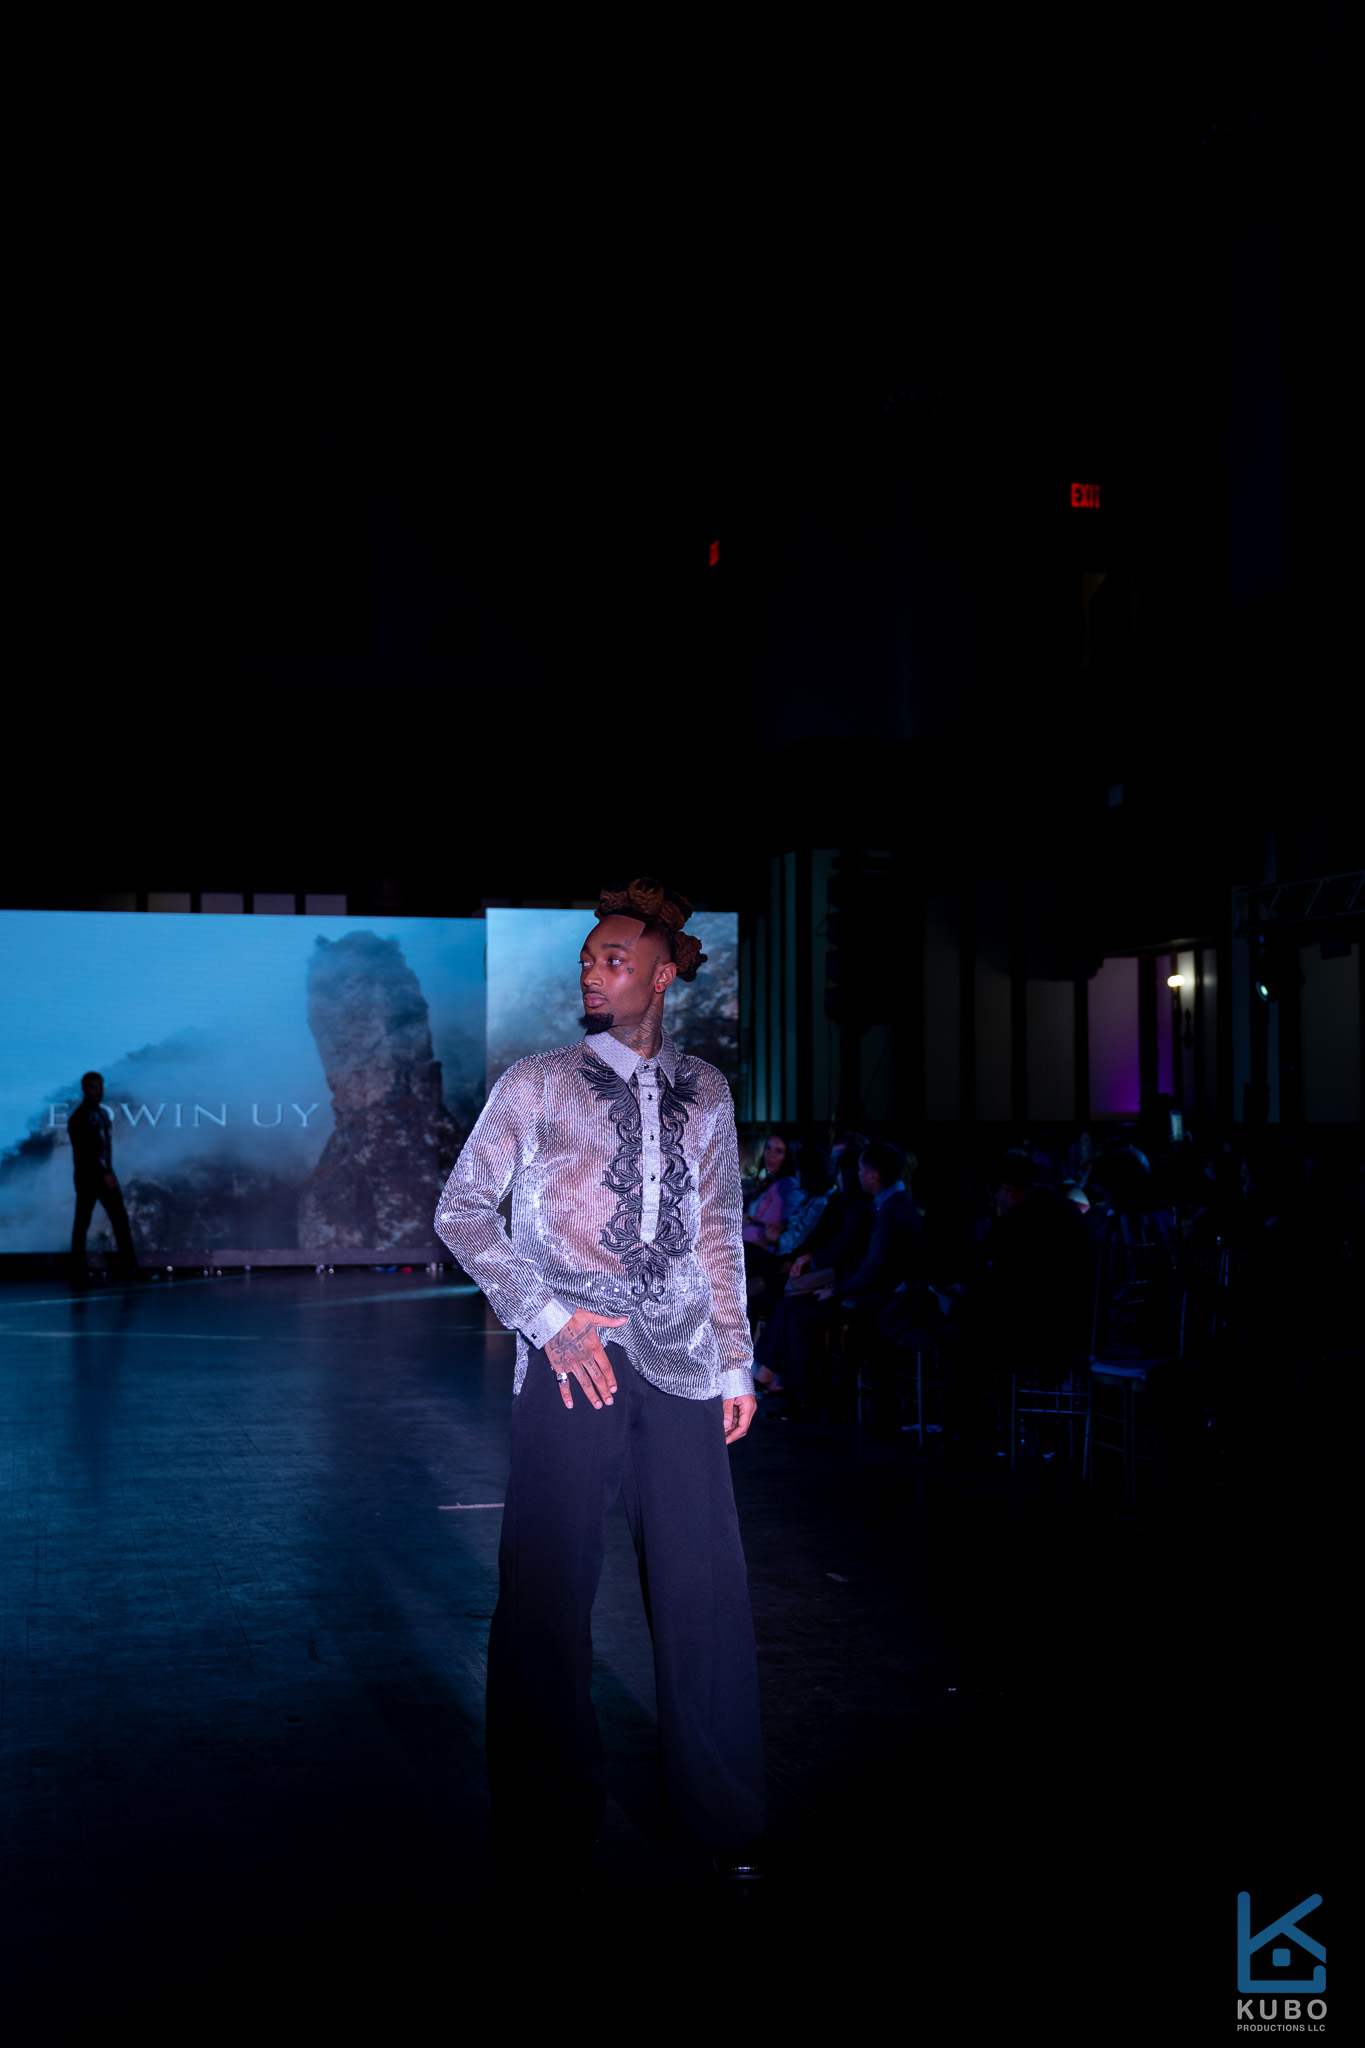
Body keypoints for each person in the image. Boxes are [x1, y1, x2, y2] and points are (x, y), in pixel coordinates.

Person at [434, 876, 765, 1890]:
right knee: (545, 1596)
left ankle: (723, 1814)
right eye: (586, 959)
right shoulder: (537, 1082)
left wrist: (735, 1358)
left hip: (683, 1362)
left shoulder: (708, 1089)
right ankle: (545, 1827)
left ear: (661, 976)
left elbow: (718, 1232)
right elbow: (462, 1209)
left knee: (706, 1592)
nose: (593, 972)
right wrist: (545, 1318)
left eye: (613, 959)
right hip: (572, 1362)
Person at [67, 1072, 139, 1288]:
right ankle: (79, 1272)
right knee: (84, 1223)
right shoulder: (80, 1117)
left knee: (117, 1220)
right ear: (84, 1089)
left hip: (102, 1174)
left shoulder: (101, 1114)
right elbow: (86, 1151)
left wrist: (108, 1171)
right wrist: (104, 1173)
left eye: (100, 1087)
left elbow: (103, 1149)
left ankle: (130, 1268)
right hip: (90, 1177)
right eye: (93, 1087)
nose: (98, 1092)